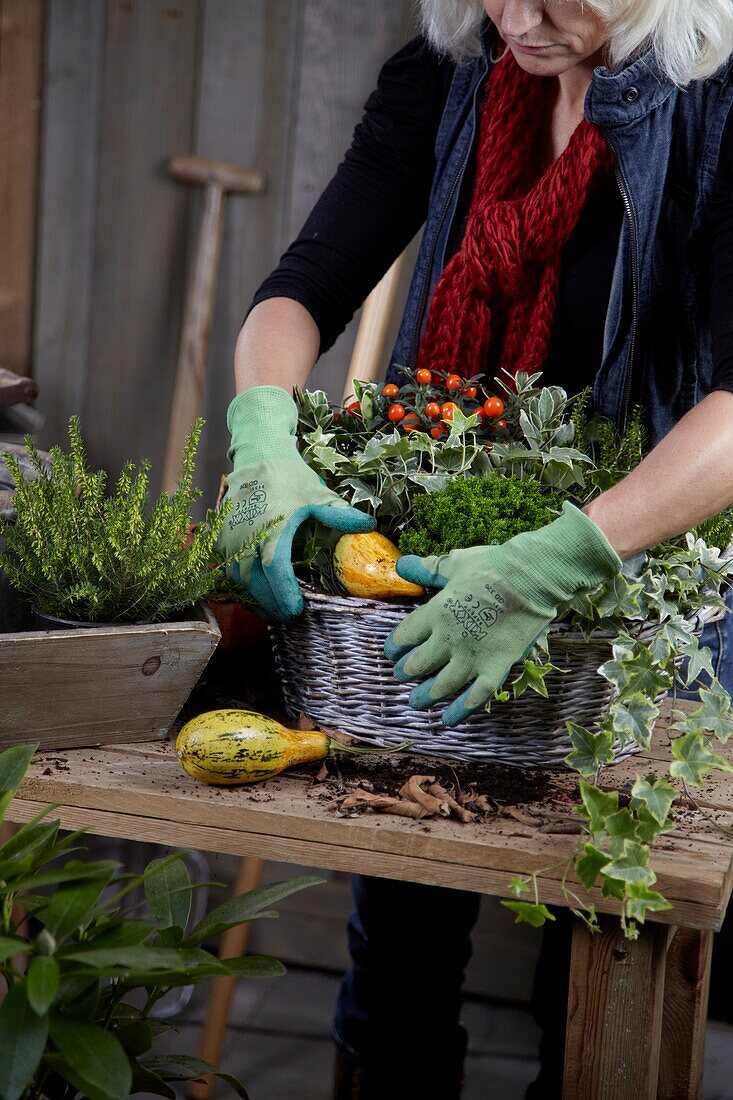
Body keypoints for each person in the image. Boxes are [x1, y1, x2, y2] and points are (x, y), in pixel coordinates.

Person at [218, 0, 733, 1096]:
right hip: (452, 570)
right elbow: (302, 285)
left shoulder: (723, 105)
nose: (516, 18)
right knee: (398, 925)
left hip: (645, 585)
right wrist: (263, 428)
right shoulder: (455, 72)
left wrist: (560, 558)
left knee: (604, 938)